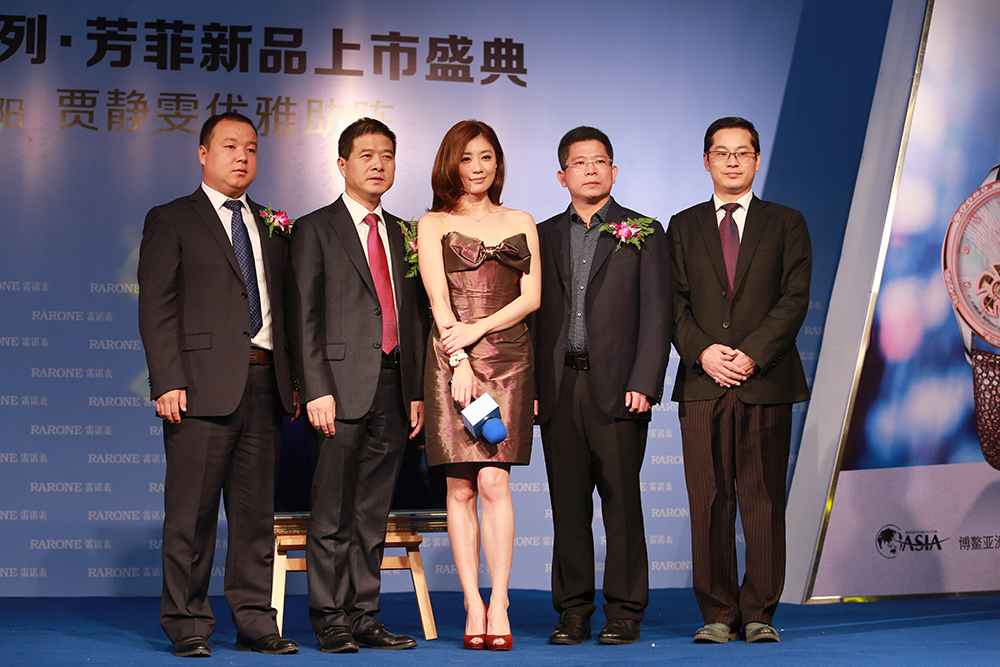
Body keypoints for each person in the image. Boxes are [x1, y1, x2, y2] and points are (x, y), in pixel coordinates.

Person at [137, 112, 299, 657]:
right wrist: (167, 379)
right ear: (203, 154)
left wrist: (294, 380)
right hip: (199, 387)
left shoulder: (273, 224)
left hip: (265, 383)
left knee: (255, 517)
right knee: (193, 515)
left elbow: (288, 308)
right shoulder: (171, 218)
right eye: (230, 146)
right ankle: (187, 622)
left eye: (251, 148)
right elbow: (156, 307)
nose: (242, 157)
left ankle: (255, 620)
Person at [667, 116, 811, 644]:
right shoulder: (682, 226)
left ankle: (759, 613)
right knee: (708, 500)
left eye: (742, 152)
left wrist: (751, 355)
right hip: (703, 382)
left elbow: (794, 298)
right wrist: (704, 352)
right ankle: (717, 612)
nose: (732, 161)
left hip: (764, 381)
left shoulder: (786, 222)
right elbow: (672, 302)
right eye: (722, 152)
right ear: (706, 160)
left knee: (763, 499)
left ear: (756, 159)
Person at [286, 117, 426, 653]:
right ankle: (330, 618)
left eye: (387, 155)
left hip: (393, 387)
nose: (378, 164)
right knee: (331, 513)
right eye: (366, 155)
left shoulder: (405, 233)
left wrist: (415, 390)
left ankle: (364, 614)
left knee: (372, 513)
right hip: (337, 390)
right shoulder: (315, 228)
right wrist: (315, 388)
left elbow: (414, 319)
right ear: (342, 164)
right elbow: (304, 316)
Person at [534, 126, 672, 645]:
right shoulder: (542, 234)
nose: (590, 169)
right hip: (558, 385)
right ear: (562, 175)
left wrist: (645, 381)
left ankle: (625, 611)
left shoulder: (644, 231)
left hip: (619, 387)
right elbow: (532, 320)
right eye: (580, 162)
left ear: (614, 171)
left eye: (599, 161)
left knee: (622, 503)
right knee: (568, 506)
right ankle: (573, 610)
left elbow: (658, 314)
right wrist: (532, 385)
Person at [418, 120, 540, 651]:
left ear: (498, 163)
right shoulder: (432, 222)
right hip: (452, 357)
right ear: (451, 164)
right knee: (460, 487)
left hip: (509, 357)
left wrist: (480, 330)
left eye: (486, 157)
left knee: (495, 482)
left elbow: (531, 297)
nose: (477, 167)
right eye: (466, 158)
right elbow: (437, 298)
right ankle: (472, 602)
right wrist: (460, 356)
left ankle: (500, 601)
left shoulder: (521, 220)